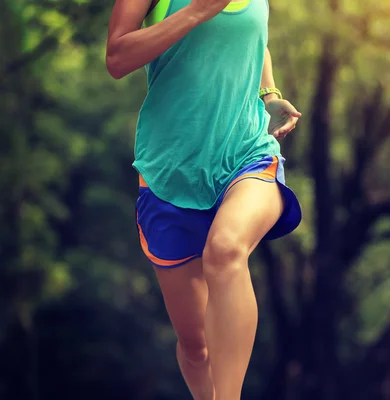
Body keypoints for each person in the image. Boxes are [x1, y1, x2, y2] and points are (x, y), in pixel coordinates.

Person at [105, 1, 302, 399]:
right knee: (197, 347)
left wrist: (269, 92)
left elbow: (254, 38)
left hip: (246, 152)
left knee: (226, 251)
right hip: (170, 172)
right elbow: (117, 56)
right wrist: (197, 11)